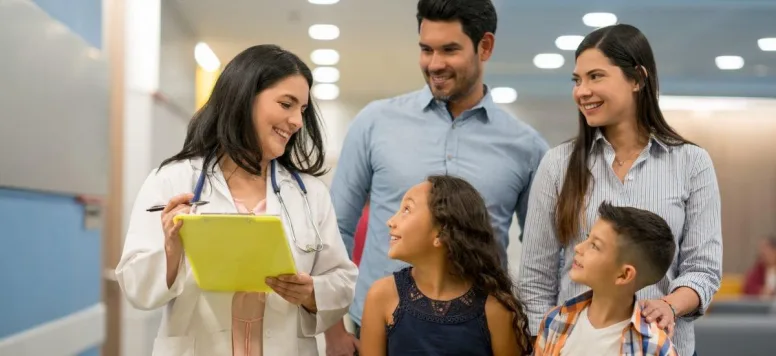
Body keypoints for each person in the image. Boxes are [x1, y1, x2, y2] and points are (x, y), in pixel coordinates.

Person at [325, 0, 549, 354]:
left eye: (449, 50)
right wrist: (332, 328)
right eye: (426, 49)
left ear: (485, 46)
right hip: (373, 330)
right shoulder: (374, 123)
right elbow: (335, 228)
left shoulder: (527, 147)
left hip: (480, 334)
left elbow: (543, 255)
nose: (434, 64)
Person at [115, 44, 358, 356]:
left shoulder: (310, 193)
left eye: (302, 110)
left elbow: (342, 281)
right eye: (286, 104)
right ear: (244, 98)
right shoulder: (173, 180)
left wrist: (313, 292)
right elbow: (135, 289)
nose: (297, 121)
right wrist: (171, 253)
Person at [518, 24, 722, 356]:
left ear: (638, 79)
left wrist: (669, 305)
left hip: (663, 346)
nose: (582, 91)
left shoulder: (692, 162)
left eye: (596, 76)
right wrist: (545, 346)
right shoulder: (558, 164)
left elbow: (704, 269)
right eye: (577, 80)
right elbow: (535, 278)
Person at [360, 175, 533, 356]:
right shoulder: (381, 297)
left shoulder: (496, 310)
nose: (391, 221)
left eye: (406, 209)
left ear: (441, 233)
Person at [534, 202, 678, 356]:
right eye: (587, 238)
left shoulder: (655, 347)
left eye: (594, 246)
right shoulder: (555, 321)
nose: (578, 248)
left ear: (624, 275)